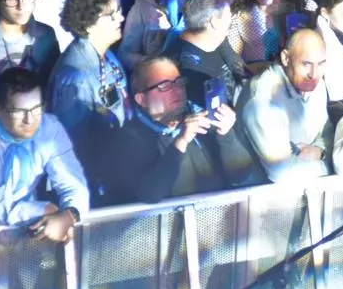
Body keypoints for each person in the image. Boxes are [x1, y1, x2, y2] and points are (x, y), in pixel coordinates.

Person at [0, 67, 89, 235]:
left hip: (34, 227)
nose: (30, 120)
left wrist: (69, 215)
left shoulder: (50, 129)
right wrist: (42, 212)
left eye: (36, 108)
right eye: (19, 111)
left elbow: (74, 184)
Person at [101, 54, 250, 204]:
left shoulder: (200, 118)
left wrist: (226, 134)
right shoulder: (129, 140)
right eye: (165, 86)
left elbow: (241, 175)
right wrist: (181, 141)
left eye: (179, 82)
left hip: (218, 218)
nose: (177, 90)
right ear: (142, 99)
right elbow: (150, 194)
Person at [47, 0, 128, 173]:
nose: (121, 18)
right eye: (112, 15)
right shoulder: (75, 78)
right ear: (89, 25)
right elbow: (74, 143)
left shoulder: (107, 54)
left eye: (119, 11)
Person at [241, 27, 331, 182]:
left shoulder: (316, 83)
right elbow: (283, 175)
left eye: (321, 64)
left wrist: (320, 151)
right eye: (306, 64)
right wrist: (330, 162)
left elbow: (327, 131)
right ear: (286, 58)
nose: (314, 73)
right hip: (264, 197)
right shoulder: (264, 101)